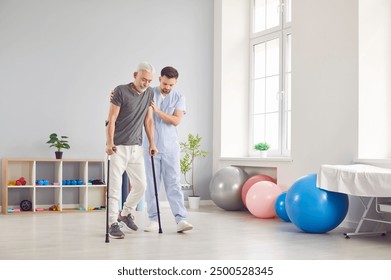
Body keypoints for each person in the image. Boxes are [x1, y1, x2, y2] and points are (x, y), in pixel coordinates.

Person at [105, 62, 158, 239]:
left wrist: (152, 143)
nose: (145, 83)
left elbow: (148, 121)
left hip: (136, 147)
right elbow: (111, 119)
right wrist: (109, 142)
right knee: (115, 188)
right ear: (135, 75)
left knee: (141, 186)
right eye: (143, 79)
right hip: (118, 147)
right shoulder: (120, 91)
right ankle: (112, 223)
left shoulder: (149, 93)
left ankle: (125, 213)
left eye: (149, 81)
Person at [143, 66, 193, 233]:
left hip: (171, 147)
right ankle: (153, 220)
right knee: (152, 185)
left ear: (175, 83)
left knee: (173, 183)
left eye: (171, 85)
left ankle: (181, 219)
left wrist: (157, 110)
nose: (167, 87)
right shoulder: (149, 93)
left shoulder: (179, 97)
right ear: (160, 79)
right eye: (165, 83)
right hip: (151, 147)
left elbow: (176, 120)